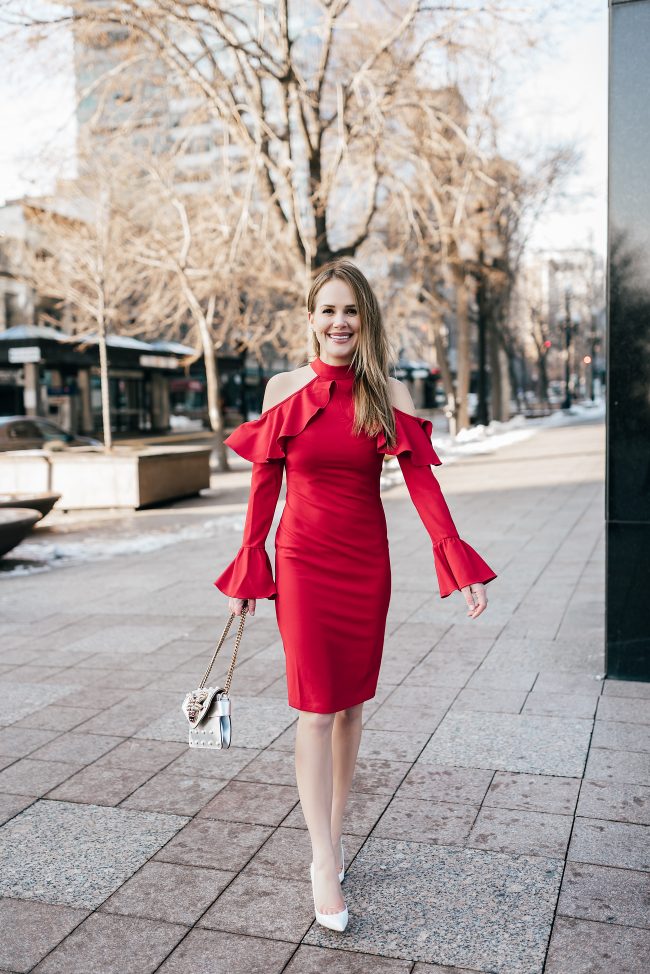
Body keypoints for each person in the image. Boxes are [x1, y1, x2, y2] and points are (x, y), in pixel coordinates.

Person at [214, 259, 497, 933]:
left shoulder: (384, 393)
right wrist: (250, 564)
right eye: (329, 310)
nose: (340, 322)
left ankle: (333, 836)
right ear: (310, 319)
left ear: (364, 319)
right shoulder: (285, 388)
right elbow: (264, 485)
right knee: (315, 708)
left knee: (350, 710)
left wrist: (457, 562)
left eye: (352, 311)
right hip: (304, 561)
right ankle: (321, 859)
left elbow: (423, 485)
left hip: (366, 564)